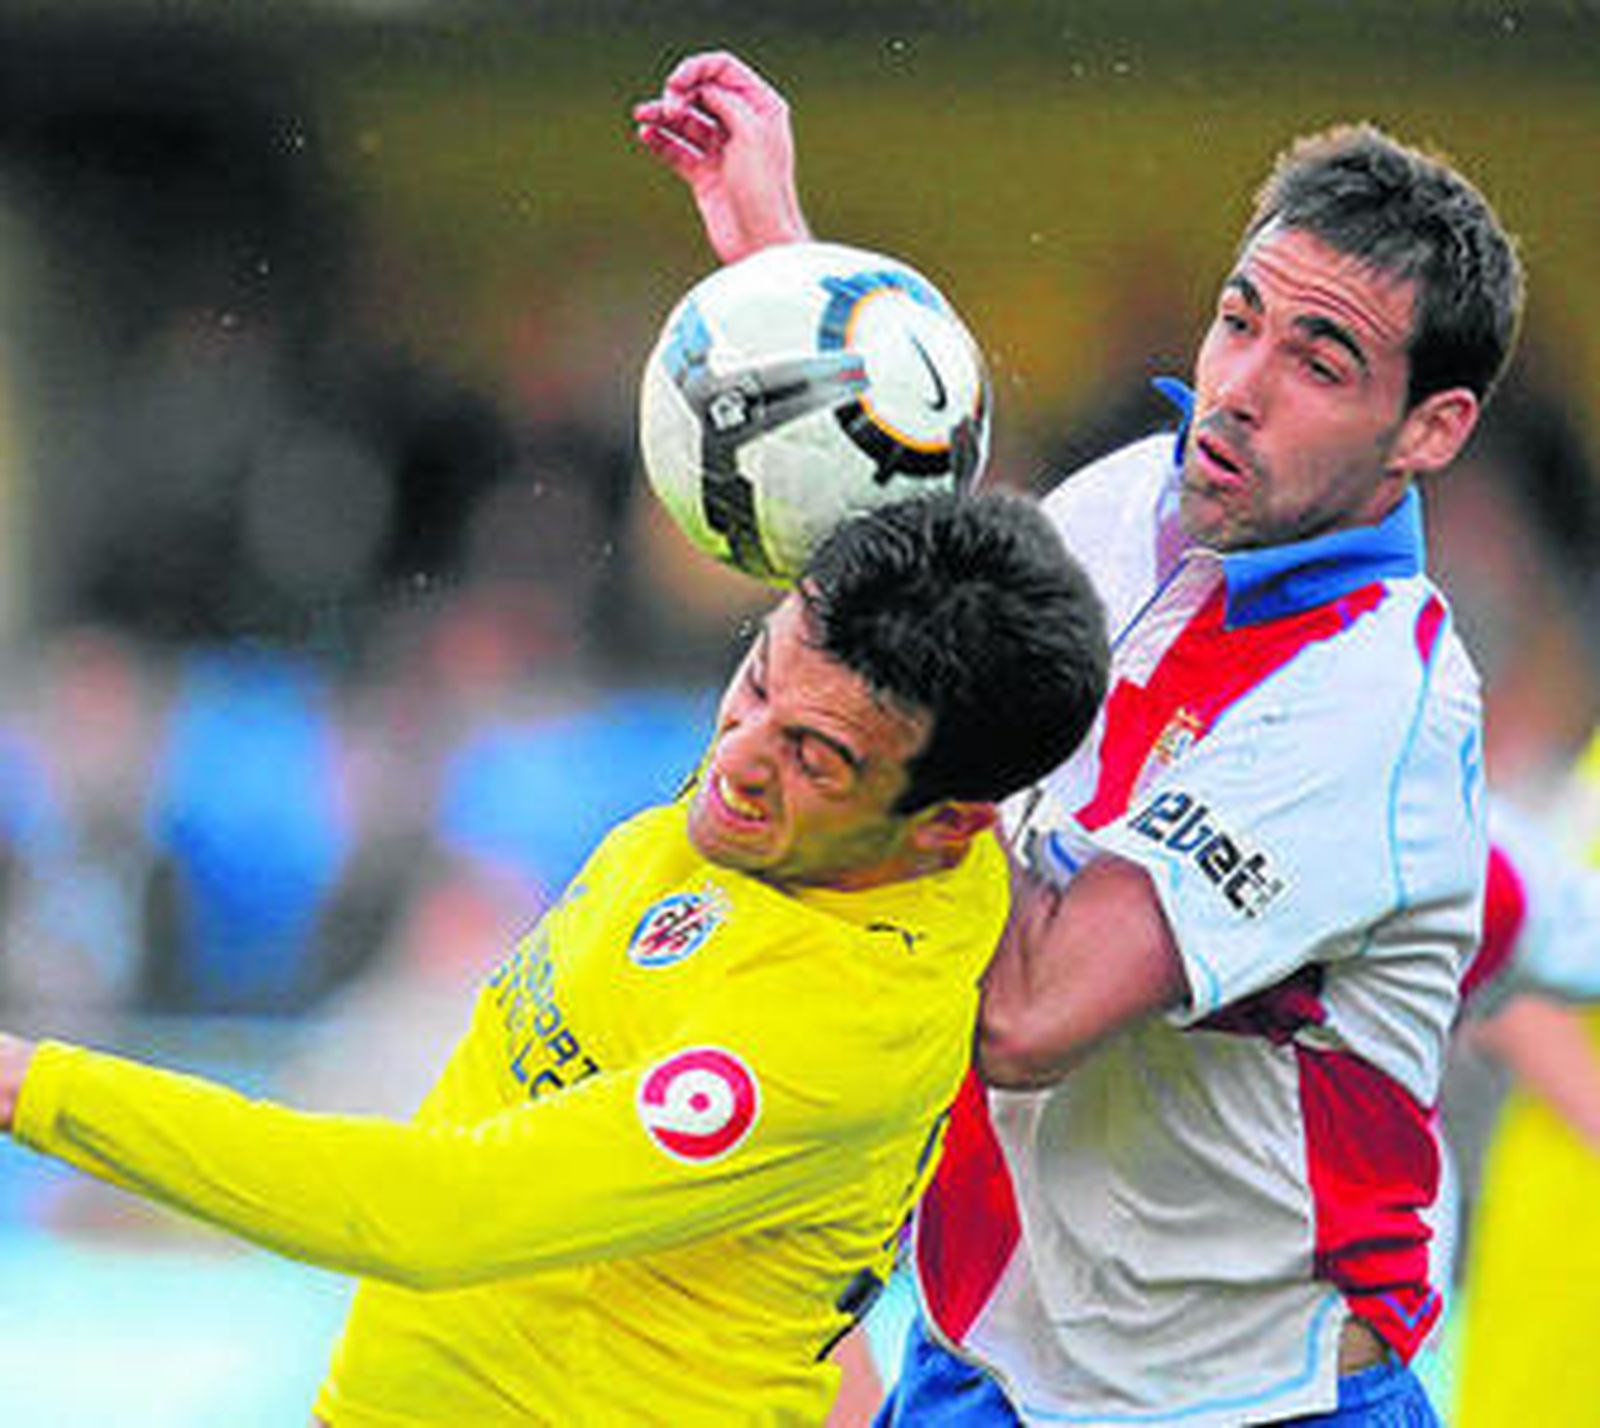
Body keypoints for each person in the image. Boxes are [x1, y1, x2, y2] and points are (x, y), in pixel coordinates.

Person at [635, 51, 1524, 1426]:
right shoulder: (1130, 502)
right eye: (1240, 320)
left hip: (1251, 1403)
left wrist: (898, 752)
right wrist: (787, 283)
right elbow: (943, 597)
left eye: (1319, 360)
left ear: (1431, 428)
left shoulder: (1374, 703)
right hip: (986, 1366)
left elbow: (1028, 1012)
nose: (1238, 387)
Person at [0, 490, 1108, 1427]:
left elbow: (429, 1214)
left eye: (810, 756)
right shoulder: (832, 787)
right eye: (756, 679)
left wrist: (32, 1086)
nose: (737, 757)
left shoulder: (825, 1026)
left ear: (946, 823)